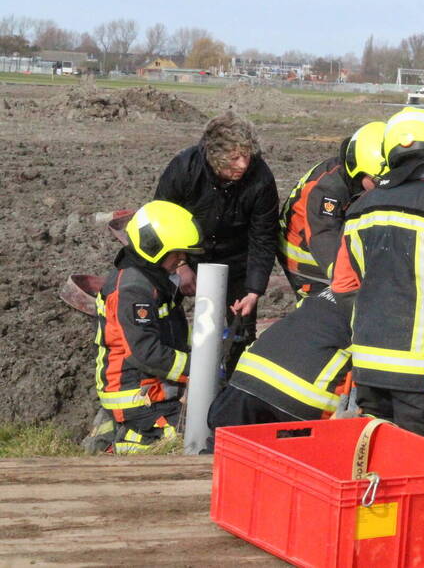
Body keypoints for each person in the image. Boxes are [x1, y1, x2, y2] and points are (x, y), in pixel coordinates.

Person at [332, 107, 424, 442]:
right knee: (422, 464)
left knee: (378, 456)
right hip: (420, 372)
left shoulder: (360, 207)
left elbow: (343, 286)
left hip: (369, 365)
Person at [154, 111, 279, 369]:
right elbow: (161, 220)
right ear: (214, 156)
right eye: (234, 158)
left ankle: (234, 381)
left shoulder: (261, 178)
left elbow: (263, 237)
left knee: (242, 329)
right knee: (159, 311)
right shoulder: (184, 168)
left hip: (235, 259)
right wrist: (180, 266)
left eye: (247, 156)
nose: (243, 165)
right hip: (183, 253)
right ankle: (169, 370)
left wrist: (254, 290)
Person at [92, 201, 203, 453]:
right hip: (137, 396)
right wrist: (198, 368)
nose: (182, 259)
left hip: (154, 390)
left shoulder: (153, 279)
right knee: (195, 440)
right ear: (154, 247)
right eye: (177, 253)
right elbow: (146, 353)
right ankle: (126, 443)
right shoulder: (133, 289)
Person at [207, 287, 353, 431]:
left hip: (249, 378)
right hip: (304, 398)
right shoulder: (371, 303)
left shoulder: (328, 291)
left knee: (224, 444)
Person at [277, 121, 386, 301]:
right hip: (307, 262)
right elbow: (323, 236)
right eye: (377, 181)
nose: (382, 187)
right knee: (324, 310)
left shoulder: (365, 181)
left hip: (334, 248)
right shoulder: (327, 189)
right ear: (360, 171)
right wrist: (350, 279)